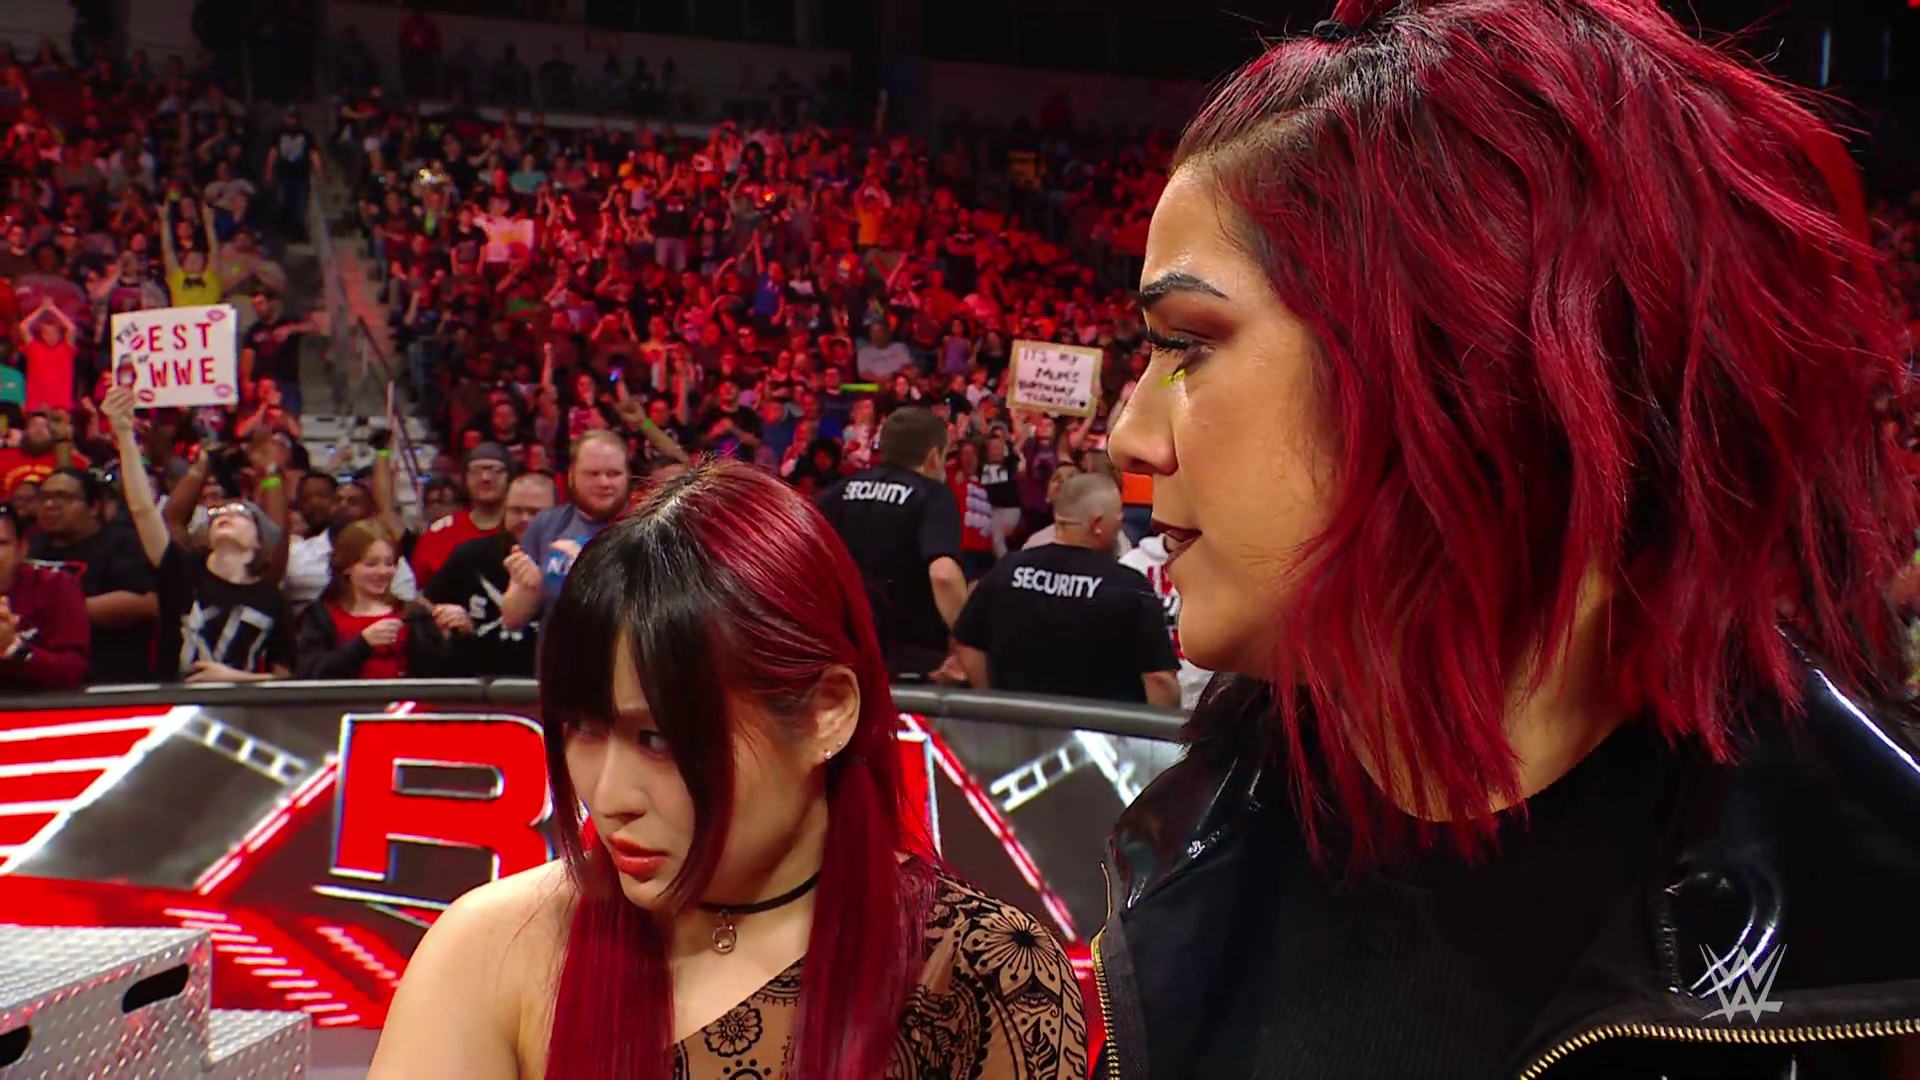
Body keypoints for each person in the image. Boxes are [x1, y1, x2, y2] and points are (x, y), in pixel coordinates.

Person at [1096, 3, 1920, 1079]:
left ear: (1473, 369)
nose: (1129, 435)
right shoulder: (1189, 862)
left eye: (1186, 345)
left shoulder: (1872, 956)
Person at [370, 461, 1087, 1080]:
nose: (608, 797)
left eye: (658, 738)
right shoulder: (493, 948)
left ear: (827, 713)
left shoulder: (984, 972)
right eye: (583, 729)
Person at [102, 388, 295, 683]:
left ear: (259, 541)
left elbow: (286, 679)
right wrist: (124, 433)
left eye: (240, 513)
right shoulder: (181, 570)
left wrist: (234, 679)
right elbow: (143, 510)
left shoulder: (272, 598)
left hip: (240, 706)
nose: (225, 514)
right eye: (219, 514)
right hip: (172, 702)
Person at [953, 474, 1181, 707]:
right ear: (1097, 524)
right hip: (1102, 726)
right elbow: (1159, 680)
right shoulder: (1129, 585)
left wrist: (992, 700)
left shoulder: (1007, 569)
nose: (1121, 520)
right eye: (1118, 514)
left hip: (1018, 721)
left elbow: (967, 641)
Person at [816, 407, 968, 679]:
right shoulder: (932, 496)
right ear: (934, 456)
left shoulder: (837, 491)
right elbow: (943, 575)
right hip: (910, 662)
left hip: (839, 655)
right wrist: (968, 643)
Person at [26, 466, 157, 683]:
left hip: (107, 679)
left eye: (63, 497)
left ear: (94, 506)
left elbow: (146, 602)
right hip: (38, 675)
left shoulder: (121, 542)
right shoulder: (30, 544)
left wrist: (62, 610)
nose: (49, 505)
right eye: (44, 497)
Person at [422, 471, 556, 677]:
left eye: (535, 512)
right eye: (516, 510)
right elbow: (422, 605)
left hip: (548, 682)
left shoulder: (570, 561)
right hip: (477, 681)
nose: (524, 519)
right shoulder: (470, 556)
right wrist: (445, 617)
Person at [294, 519, 456, 679]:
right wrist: (363, 644)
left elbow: (441, 673)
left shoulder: (412, 614)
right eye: (371, 564)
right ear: (347, 567)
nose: (383, 572)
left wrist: (453, 636)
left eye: (389, 563)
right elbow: (312, 674)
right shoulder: (320, 616)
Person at [512, 429, 632, 623]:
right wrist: (529, 589)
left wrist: (588, 571)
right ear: (571, 476)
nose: (604, 482)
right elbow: (512, 620)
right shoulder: (545, 524)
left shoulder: (649, 529)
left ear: (628, 477)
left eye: (614, 474)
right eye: (592, 473)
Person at [0, 504, 89, 690]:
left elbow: (72, 670)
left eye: (1, 543)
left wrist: (14, 648)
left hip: (37, 701)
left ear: (22, 549)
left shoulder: (56, 586)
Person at [408, 441, 513, 587]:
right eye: (476, 470)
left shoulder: (522, 530)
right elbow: (415, 589)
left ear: (509, 478)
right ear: (466, 478)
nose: (485, 477)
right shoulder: (439, 533)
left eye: (496, 470)